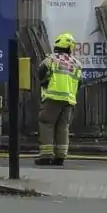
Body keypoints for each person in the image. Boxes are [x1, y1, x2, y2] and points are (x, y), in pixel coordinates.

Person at [36, 32, 84, 166]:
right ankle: (60, 156)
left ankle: (46, 156)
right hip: (68, 100)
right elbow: (80, 82)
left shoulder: (52, 59)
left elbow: (41, 70)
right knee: (63, 127)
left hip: (52, 97)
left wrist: (44, 82)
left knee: (47, 124)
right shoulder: (76, 64)